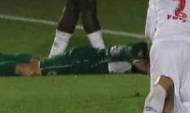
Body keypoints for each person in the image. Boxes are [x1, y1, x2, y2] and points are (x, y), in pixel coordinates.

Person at [1, 42, 149, 77]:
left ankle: (23, 59)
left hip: (84, 59)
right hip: (81, 61)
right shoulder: (136, 50)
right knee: (33, 70)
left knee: (33, 63)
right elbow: (140, 64)